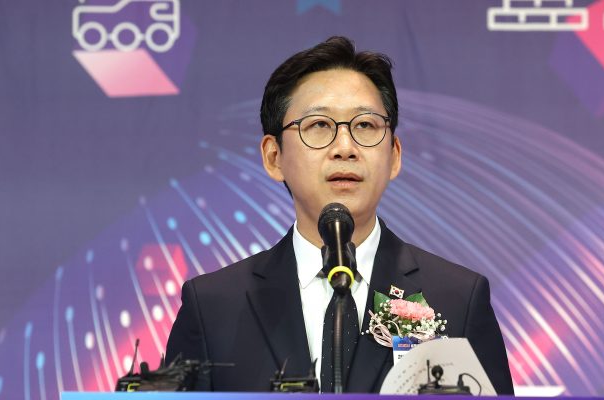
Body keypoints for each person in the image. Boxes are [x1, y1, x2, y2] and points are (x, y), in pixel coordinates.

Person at [166, 36, 514, 394]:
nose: (345, 148)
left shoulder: (457, 298)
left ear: (394, 155)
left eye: (365, 125)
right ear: (273, 157)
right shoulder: (213, 306)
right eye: (319, 125)